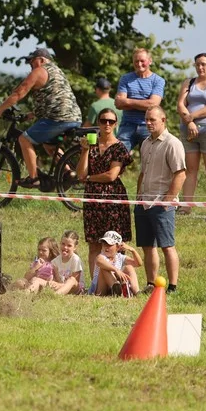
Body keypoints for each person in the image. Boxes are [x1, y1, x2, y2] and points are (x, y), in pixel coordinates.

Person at [0, 47, 82, 189]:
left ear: (41, 60)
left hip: (58, 118)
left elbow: (19, 92)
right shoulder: (58, 72)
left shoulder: (40, 71)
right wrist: (29, 115)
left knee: (24, 139)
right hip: (73, 117)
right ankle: (69, 173)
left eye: (32, 62)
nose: (30, 66)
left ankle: (33, 179)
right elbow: (54, 99)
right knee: (49, 146)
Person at [76, 107, 132, 293]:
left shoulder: (119, 148)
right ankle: (96, 287)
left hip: (112, 198)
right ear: (98, 123)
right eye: (103, 120)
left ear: (115, 124)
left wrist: (90, 178)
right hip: (92, 198)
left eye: (111, 121)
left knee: (116, 244)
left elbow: (111, 175)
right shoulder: (91, 145)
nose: (107, 124)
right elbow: (80, 174)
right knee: (94, 242)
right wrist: (84, 151)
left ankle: (120, 284)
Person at [135, 107, 186, 294]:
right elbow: (142, 172)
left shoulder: (173, 143)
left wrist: (167, 201)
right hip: (144, 202)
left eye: (152, 120)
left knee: (167, 245)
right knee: (148, 246)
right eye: (147, 119)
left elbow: (180, 174)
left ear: (163, 120)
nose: (148, 123)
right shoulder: (145, 143)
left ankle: (172, 286)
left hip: (161, 203)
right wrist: (139, 196)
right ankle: (150, 284)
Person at [175, 53, 206, 214]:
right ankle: (186, 206)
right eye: (197, 64)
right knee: (190, 169)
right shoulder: (188, 83)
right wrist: (189, 122)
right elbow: (181, 105)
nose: (200, 67)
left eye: (203, 64)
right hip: (188, 131)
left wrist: (192, 117)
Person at [114, 48, 165, 152]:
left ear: (150, 61)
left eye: (142, 61)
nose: (139, 64)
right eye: (136, 61)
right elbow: (119, 104)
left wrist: (127, 101)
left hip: (148, 126)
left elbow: (153, 104)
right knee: (117, 156)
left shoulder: (158, 80)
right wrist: (144, 103)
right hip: (127, 125)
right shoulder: (125, 78)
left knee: (150, 161)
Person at [93, 231, 143, 297]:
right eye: (104, 244)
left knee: (129, 267)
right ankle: (116, 290)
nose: (106, 247)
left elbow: (138, 264)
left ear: (118, 247)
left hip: (114, 288)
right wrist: (116, 270)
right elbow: (98, 261)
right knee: (104, 269)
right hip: (100, 289)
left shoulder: (120, 257)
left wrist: (132, 250)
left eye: (110, 244)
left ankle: (137, 292)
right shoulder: (102, 256)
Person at [49, 231, 85, 295]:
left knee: (71, 280)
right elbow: (56, 279)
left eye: (69, 245)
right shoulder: (55, 261)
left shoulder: (75, 260)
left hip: (76, 289)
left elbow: (75, 281)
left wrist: (60, 285)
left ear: (75, 247)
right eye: (63, 244)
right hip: (60, 286)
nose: (65, 247)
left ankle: (55, 295)